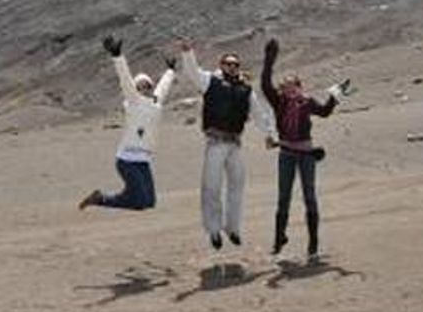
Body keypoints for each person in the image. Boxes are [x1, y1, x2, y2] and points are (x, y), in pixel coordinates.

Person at [180, 41, 277, 250]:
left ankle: (233, 227)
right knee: (212, 186)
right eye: (228, 63)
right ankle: (213, 229)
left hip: (234, 143)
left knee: (237, 185)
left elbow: (258, 113)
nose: (232, 67)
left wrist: (269, 133)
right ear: (221, 64)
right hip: (215, 142)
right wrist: (188, 53)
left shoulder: (245, 89)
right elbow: (192, 72)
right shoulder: (210, 81)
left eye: (235, 64)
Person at [260, 38, 348, 257]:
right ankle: (279, 239)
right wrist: (269, 59)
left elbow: (325, 112)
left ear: (300, 88)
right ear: (283, 90)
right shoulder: (278, 102)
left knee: (309, 195)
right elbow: (264, 85)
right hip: (286, 153)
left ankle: (313, 242)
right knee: (283, 197)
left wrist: (334, 96)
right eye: (287, 88)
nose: (291, 91)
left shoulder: (308, 102)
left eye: (294, 87)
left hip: (307, 154)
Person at [79, 36, 175, 212]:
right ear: (135, 88)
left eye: (147, 86)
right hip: (127, 160)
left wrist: (170, 71)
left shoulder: (155, 103)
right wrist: (117, 56)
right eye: (140, 86)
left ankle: (107, 197)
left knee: (149, 203)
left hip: (143, 160)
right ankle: (101, 199)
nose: (144, 89)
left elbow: (164, 87)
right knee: (139, 202)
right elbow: (125, 78)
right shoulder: (133, 101)